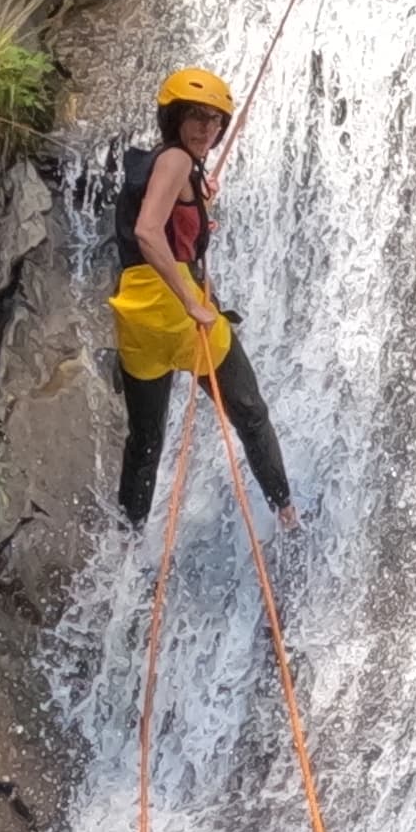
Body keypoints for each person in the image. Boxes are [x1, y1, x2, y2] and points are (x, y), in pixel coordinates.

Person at [108, 63, 295, 527]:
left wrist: (196, 198)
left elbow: (160, 222)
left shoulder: (162, 163)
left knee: (145, 440)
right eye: (195, 115)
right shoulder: (175, 161)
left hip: (136, 315)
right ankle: (288, 516)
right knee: (250, 413)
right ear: (174, 117)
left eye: (214, 120)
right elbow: (149, 232)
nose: (206, 129)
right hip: (174, 309)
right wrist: (192, 302)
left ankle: (125, 545)